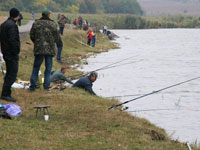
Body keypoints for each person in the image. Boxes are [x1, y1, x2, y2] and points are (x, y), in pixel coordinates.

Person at [29, 9, 59, 91]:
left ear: (42, 15)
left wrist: (37, 42)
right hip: (50, 50)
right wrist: (52, 43)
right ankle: (46, 86)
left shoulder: (36, 23)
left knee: (36, 68)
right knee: (48, 69)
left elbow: (31, 35)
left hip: (39, 49)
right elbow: (57, 37)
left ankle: (32, 87)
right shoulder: (53, 24)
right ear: (48, 15)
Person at [0, 8, 20, 102]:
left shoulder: (4, 24)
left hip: (5, 51)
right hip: (11, 53)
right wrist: (16, 51)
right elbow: (13, 40)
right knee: (12, 73)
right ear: (16, 16)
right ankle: (6, 94)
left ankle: (5, 92)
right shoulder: (12, 26)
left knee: (9, 73)